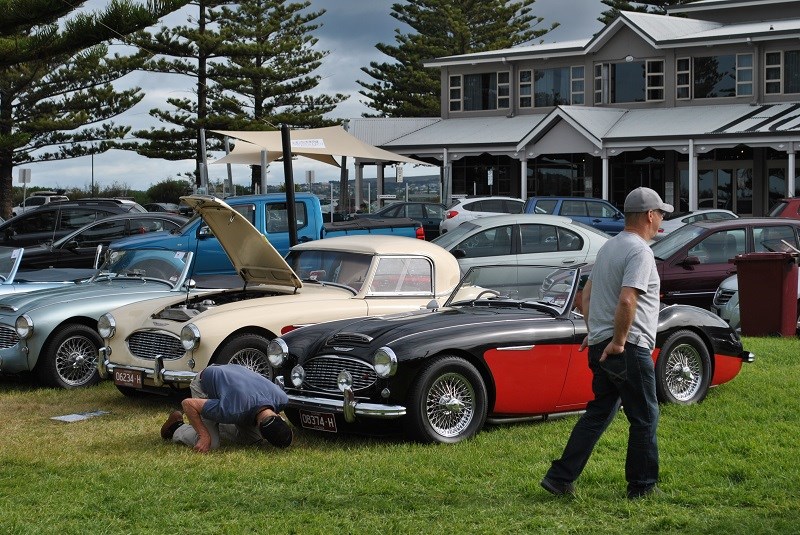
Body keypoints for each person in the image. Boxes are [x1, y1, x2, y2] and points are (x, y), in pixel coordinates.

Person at [541, 187, 672, 499]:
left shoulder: (608, 248)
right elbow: (628, 300)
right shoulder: (640, 251)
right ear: (649, 215)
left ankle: (560, 478)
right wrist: (618, 341)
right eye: (661, 214)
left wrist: (596, 332)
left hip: (602, 345)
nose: (662, 220)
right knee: (645, 417)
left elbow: (585, 295)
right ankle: (642, 487)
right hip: (627, 348)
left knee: (600, 412)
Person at [160, 363, 293, 453]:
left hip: (233, 373)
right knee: (212, 443)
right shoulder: (233, 409)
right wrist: (204, 435)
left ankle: (216, 422)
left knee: (253, 439)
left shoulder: (281, 398)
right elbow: (188, 404)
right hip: (204, 382)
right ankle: (175, 427)